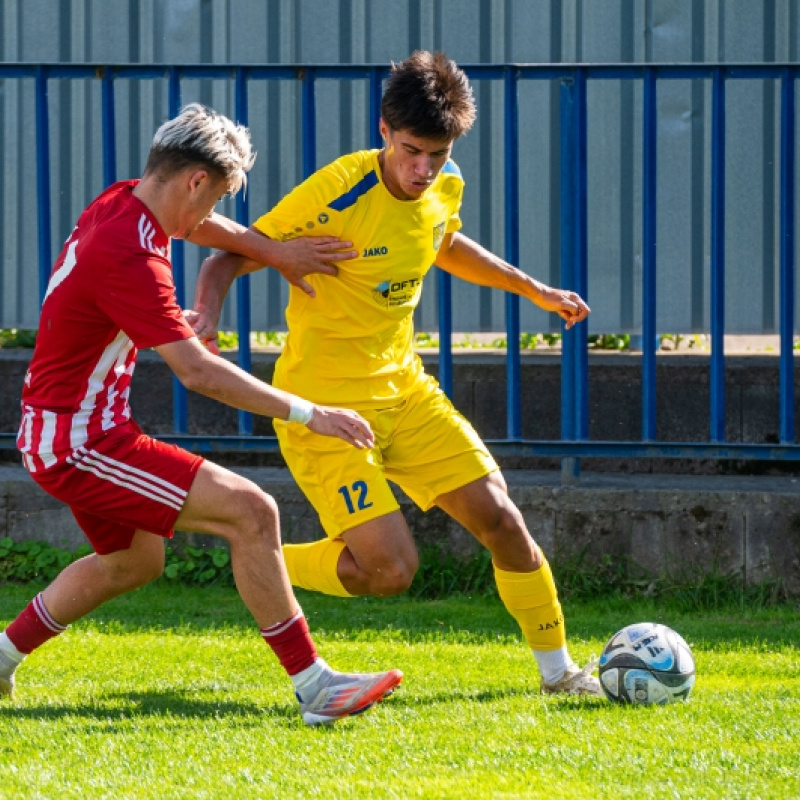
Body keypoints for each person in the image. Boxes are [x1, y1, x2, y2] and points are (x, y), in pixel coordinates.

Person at [191, 52, 600, 696]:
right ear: (384, 129)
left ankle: (561, 675)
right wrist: (206, 314)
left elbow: (442, 242)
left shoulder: (444, 180)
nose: (423, 169)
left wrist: (535, 290)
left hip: (406, 391)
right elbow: (225, 258)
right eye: (411, 151)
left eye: (436, 154)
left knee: (503, 522)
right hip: (324, 409)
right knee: (388, 572)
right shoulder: (339, 191)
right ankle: (261, 558)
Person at [0, 103, 403, 726]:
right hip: (80, 442)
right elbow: (197, 373)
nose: (209, 213)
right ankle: (315, 687)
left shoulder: (122, 202)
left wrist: (274, 252)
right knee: (251, 510)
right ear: (194, 181)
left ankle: (0, 656)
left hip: (72, 429)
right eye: (212, 196)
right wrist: (309, 412)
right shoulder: (131, 254)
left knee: (134, 562)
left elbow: (204, 232)